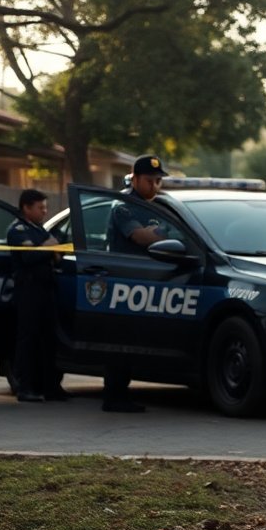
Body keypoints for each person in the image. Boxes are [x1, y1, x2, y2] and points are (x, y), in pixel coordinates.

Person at [100, 153, 171, 412]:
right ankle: (113, 396)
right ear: (137, 178)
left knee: (132, 341)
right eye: (150, 180)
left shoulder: (157, 206)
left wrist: (159, 234)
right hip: (122, 281)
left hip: (143, 282)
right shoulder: (123, 205)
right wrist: (163, 233)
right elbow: (141, 236)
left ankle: (122, 393)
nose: (155, 186)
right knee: (120, 340)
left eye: (158, 181)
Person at [6, 188, 64, 403]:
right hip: (28, 292)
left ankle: (50, 386)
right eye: (40, 208)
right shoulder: (18, 230)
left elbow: (57, 256)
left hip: (46, 290)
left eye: (45, 207)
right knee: (27, 340)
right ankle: (25, 387)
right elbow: (29, 258)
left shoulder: (39, 230)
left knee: (48, 340)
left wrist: (49, 248)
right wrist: (47, 247)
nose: (45, 212)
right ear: (26, 208)